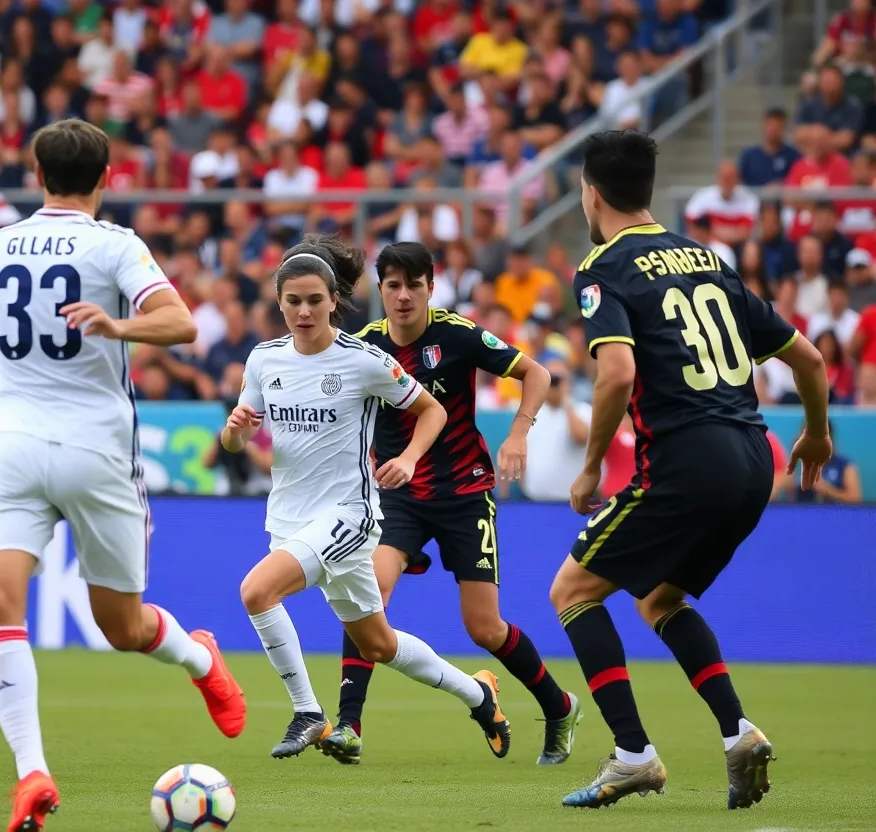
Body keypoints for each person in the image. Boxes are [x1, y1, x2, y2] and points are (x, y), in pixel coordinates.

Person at [0, 119, 245, 832]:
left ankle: (201, 658)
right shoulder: (117, 245)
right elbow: (181, 323)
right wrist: (122, 326)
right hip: (23, 441)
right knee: (4, 603)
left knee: (121, 626)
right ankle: (32, 775)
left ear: (36, 172)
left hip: (86, 450)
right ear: (107, 178)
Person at [554, 130, 833, 809]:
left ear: (591, 193)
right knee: (660, 599)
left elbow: (616, 372)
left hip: (687, 458)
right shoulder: (708, 257)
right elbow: (810, 362)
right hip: (752, 460)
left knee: (573, 592)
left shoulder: (603, 266)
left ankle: (632, 756)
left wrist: (591, 467)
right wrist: (817, 435)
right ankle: (738, 732)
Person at [223, 236, 510, 762]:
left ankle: (308, 712)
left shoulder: (363, 360)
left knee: (257, 592)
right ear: (280, 302)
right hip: (288, 516)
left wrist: (410, 458)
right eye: (293, 301)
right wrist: (236, 431)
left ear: (334, 300)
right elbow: (235, 439)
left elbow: (434, 411)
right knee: (379, 644)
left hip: (348, 515)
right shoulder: (263, 359)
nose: (304, 311)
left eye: (314, 300)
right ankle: (479, 694)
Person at [325, 242, 582, 768]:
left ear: (430, 289)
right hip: (398, 494)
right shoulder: (363, 347)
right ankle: (349, 724)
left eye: (412, 286)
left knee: (483, 628)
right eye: (392, 286)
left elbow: (537, 374)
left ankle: (560, 707)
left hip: (466, 494)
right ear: (381, 291)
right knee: (368, 594)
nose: (402, 297)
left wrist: (518, 434)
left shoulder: (459, 335)